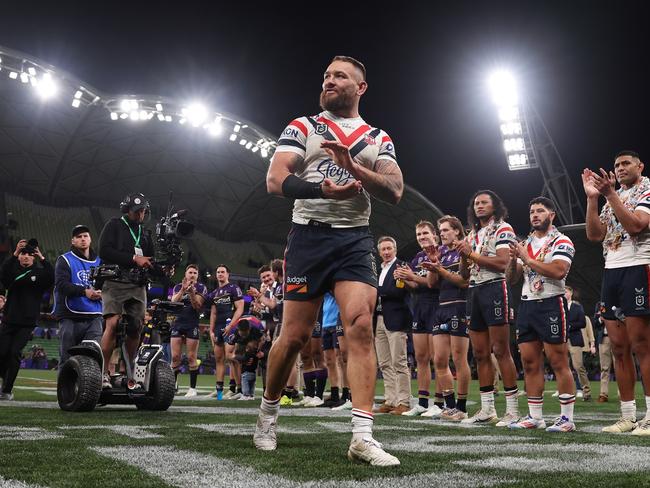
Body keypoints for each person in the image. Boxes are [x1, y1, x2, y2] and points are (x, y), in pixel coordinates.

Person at [254, 55, 403, 466]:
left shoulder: (376, 137)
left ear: (361, 87)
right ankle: (268, 413)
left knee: (359, 325)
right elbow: (275, 179)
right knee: (295, 337)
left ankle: (362, 436)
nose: (330, 80)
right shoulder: (303, 126)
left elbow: (394, 188)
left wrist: (354, 167)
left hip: (355, 239)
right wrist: (323, 191)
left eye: (340, 75)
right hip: (309, 236)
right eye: (326, 75)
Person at [583, 150, 650, 435]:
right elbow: (595, 234)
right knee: (619, 348)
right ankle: (627, 416)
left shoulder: (646, 189)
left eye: (625, 163)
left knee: (642, 346)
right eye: (616, 165)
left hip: (639, 267)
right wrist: (592, 198)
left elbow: (636, 226)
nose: (620, 168)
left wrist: (610, 194)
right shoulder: (611, 197)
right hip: (611, 271)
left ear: (640, 166)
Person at [506, 196, 577, 432]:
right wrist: (512, 260)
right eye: (532, 212)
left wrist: (526, 259)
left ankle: (567, 419)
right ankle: (535, 416)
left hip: (550, 303)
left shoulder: (562, 240)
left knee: (558, 361)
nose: (535, 215)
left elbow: (558, 271)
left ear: (551, 215)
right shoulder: (524, 243)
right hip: (527, 304)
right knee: (529, 362)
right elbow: (512, 279)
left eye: (540, 211)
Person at [457, 190, 520, 426]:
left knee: (501, 350)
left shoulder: (504, 228)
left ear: (495, 206)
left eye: (484, 202)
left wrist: (470, 253)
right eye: (476, 203)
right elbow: (464, 275)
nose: (479, 206)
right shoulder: (472, 234)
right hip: (473, 290)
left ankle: (512, 410)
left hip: (495, 289)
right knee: (480, 353)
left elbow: (503, 263)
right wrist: (464, 256)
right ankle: (487, 410)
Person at [98, 193, 155, 389]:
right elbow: (104, 251)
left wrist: (163, 269)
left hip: (137, 285)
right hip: (114, 281)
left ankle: (127, 372)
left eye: (144, 211)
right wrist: (133, 258)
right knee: (113, 324)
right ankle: (104, 373)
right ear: (127, 211)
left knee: (136, 327)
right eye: (137, 211)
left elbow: (150, 261)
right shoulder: (114, 225)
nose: (141, 215)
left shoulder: (145, 234)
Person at [420, 215, 471, 421]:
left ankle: (462, 407)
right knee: (439, 360)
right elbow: (432, 283)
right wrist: (433, 263)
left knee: (459, 359)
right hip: (441, 307)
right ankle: (449, 406)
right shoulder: (440, 253)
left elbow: (463, 282)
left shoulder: (464, 250)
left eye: (446, 230)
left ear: (457, 231)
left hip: (459, 307)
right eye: (440, 231)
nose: (442, 234)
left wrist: (439, 268)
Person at [393, 221, 441, 417]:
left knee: (439, 359)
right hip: (419, 307)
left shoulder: (441, 254)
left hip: (437, 306)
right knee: (421, 358)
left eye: (425, 233)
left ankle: (439, 402)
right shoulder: (418, 257)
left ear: (434, 235)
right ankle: (422, 402)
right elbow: (414, 286)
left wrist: (412, 276)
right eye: (419, 234)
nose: (421, 237)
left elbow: (435, 283)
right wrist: (404, 279)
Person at [0, 239, 54, 400]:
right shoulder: (13, 271)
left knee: (15, 352)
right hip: (9, 320)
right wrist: (15, 252)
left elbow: (51, 277)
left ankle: (7, 390)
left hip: (27, 322)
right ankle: (4, 377)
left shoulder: (39, 274)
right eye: (23, 254)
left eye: (30, 255)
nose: (26, 257)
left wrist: (42, 257)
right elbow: (3, 273)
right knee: (2, 352)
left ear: (33, 258)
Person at [372, 236, 412, 416]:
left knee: (399, 362)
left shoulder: (402, 267)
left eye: (389, 248)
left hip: (396, 319)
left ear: (395, 250)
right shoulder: (378, 270)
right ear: (379, 252)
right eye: (383, 249)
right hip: (379, 319)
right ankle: (390, 400)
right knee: (385, 363)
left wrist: (377, 292)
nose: (386, 252)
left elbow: (397, 291)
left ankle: (404, 401)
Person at [53, 225, 103, 369]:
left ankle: (87, 389)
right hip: (70, 315)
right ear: (73, 241)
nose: (83, 239)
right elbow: (61, 285)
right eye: (79, 237)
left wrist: (102, 293)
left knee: (92, 356)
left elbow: (107, 284)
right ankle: (64, 390)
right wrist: (85, 292)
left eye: (85, 236)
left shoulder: (100, 261)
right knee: (67, 357)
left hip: (94, 315)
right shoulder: (64, 260)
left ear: (90, 239)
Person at [169, 264, 208, 397]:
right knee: (175, 357)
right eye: (190, 272)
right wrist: (182, 291)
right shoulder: (177, 287)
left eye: (195, 273)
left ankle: (192, 388)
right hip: (178, 323)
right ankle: (173, 386)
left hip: (192, 323)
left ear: (197, 275)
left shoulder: (202, 288)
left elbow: (197, 306)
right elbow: (173, 302)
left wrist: (191, 292)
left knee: (192, 357)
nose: (192, 275)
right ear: (186, 274)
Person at [208, 264, 244, 399]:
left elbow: (240, 308)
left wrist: (232, 325)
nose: (220, 274)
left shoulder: (234, 288)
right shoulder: (215, 293)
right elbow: (213, 313)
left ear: (228, 274)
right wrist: (211, 330)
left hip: (231, 326)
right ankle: (219, 392)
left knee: (230, 357)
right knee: (219, 359)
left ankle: (236, 389)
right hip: (218, 328)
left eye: (222, 272)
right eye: (218, 272)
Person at [565, 286, 592, 401]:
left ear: (570, 293)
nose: (564, 294)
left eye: (565, 292)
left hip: (574, 340)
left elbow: (582, 323)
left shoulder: (577, 307)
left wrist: (570, 326)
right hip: (561, 340)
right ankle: (566, 392)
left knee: (578, 366)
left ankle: (586, 392)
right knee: (563, 367)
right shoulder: (558, 307)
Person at [593, 303, 613, 402]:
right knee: (604, 368)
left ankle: (624, 394)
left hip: (618, 337)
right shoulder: (600, 304)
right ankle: (603, 394)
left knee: (621, 366)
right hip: (604, 338)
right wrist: (601, 319)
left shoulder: (619, 300)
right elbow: (595, 323)